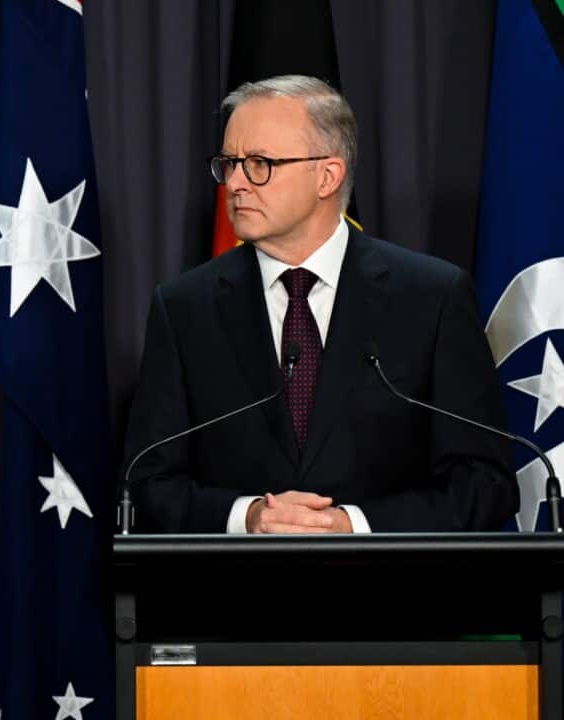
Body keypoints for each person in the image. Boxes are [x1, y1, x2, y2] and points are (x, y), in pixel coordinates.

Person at [122, 75, 516, 534]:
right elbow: (144, 483)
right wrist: (245, 517)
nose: (235, 184)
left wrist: (354, 525)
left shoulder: (432, 297)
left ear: (328, 176)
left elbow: (486, 485)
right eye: (228, 163)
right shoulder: (185, 307)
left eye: (259, 163)